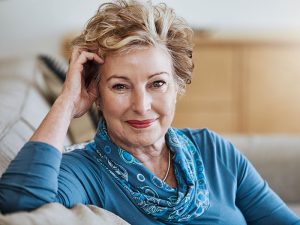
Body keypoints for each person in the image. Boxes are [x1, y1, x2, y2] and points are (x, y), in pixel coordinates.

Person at [0, 0, 299, 224]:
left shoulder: (212, 149)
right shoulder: (84, 171)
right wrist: (67, 101)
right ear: (96, 94)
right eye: (120, 86)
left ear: (177, 86)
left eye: (157, 83)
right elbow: (20, 203)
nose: (142, 105)